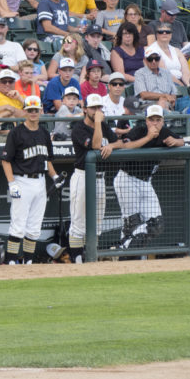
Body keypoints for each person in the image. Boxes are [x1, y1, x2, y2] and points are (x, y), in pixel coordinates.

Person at [112, 105, 184, 253]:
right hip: (127, 178)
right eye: (152, 120)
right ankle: (127, 254)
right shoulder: (139, 130)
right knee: (131, 222)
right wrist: (148, 137)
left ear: (163, 121)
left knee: (156, 224)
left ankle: (123, 247)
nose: (155, 123)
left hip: (146, 181)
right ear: (146, 121)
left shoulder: (165, 132)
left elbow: (182, 141)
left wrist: (176, 142)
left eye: (158, 120)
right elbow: (125, 146)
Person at [1, 95, 60, 265]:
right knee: (18, 224)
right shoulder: (16, 132)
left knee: (35, 226)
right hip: (22, 180)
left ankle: (28, 261)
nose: (33, 113)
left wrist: (54, 176)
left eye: (35, 110)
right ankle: (11, 261)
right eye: (30, 110)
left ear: (40, 111)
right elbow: (6, 160)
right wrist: (11, 183)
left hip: (40, 180)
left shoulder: (43, 132)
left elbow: (47, 159)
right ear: (25, 112)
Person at [66, 94, 125, 263]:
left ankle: (91, 259)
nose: (97, 111)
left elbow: (120, 143)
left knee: (97, 221)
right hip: (82, 176)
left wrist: (111, 145)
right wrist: (98, 122)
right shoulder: (79, 128)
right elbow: (95, 145)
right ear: (85, 109)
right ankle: (77, 260)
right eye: (93, 108)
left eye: (99, 108)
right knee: (78, 221)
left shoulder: (104, 126)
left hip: (100, 177)